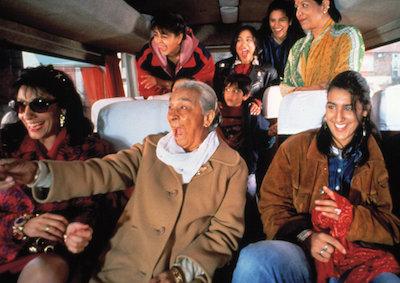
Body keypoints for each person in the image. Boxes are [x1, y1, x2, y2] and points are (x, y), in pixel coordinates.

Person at [0, 80, 248, 283]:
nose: (172, 115)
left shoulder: (231, 166)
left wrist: (183, 273)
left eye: (183, 107)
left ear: (208, 117)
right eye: (170, 107)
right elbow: (100, 172)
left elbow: (223, 233)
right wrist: (37, 173)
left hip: (181, 272)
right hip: (121, 270)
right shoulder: (151, 148)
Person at [232, 71, 400, 283]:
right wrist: (307, 238)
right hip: (305, 252)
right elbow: (272, 208)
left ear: (364, 110)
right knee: (253, 259)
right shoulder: (294, 149)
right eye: (332, 106)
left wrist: (351, 218)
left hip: (363, 258)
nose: (337, 117)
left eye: (348, 108)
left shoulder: (386, 158)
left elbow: (394, 226)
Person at [0, 65, 113, 283]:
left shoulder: (91, 150)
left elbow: (97, 205)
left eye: (39, 104)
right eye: (20, 106)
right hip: (6, 247)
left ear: (62, 107)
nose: (27, 114)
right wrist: (23, 226)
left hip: (56, 254)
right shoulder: (5, 146)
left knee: (48, 271)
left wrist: (75, 230)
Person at [281, 0, 365, 95]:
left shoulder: (346, 35)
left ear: (324, 5)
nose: (298, 13)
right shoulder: (297, 47)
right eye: (297, 7)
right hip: (297, 108)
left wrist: (306, 90)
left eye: (304, 5)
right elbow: (285, 87)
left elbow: (346, 83)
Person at [136, 12, 215, 99]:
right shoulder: (145, 56)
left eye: (164, 36)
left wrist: (162, 83)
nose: (158, 41)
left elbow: (202, 91)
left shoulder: (202, 57)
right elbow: (148, 95)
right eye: (155, 35)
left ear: (179, 38)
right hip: (160, 105)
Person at [217, 73, 271, 195]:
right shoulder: (217, 111)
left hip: (246, 166)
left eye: (236, 91)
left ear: (245, 96)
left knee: (248, 197)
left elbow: (260, 139)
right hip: (222, 164)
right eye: (227, 90)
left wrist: (269, 134)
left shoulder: (251, 113)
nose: (230, 94)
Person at [214, 25, 279, 113]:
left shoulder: (269, 71)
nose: (243, 45)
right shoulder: (221, 67)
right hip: (225, 118)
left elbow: (273, 101)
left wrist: (258, 104)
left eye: (248, 40)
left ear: (255, 44)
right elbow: (214, 93)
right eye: (239, 40)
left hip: (254, 121)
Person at [258, 0, 304, 81]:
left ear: (290, 21)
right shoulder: (260, 41)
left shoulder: (300, 42)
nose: (276, 25)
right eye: (272, 20)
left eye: (282, 20)